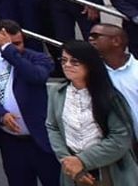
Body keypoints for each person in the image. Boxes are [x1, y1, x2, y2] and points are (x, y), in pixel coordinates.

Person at [0, 20, 59, 186]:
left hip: (40, 140)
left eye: (18, 43)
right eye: (10, 44)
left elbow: (37, 76)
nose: (17, 48)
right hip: (10, 142)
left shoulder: (38, 58)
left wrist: (8, 50)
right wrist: (0, 114)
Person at [47, 40, 138, 185]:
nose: (67, 65)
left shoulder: (109, 96)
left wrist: (82, 161)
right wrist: (68, 161)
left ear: (89, 64)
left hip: (109, 169)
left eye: (74, 61)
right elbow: (53, 127)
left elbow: (120, 137)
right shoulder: (57, 93)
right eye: (63, 60)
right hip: (72, 171)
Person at [88, 23, 138, 135]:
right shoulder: (91, 72)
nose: (90, 39)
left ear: (116, 41)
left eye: (96, 36)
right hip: (112, 143)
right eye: (90, 36)